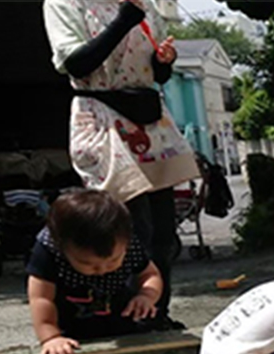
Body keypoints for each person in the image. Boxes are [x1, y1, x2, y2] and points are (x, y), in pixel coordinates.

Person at [43, 0, 200, 328]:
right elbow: (77, 63)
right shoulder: (65, 3)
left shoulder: (146, 5)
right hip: (102, 118)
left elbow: (157, 75)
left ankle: (157, 312)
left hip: (150, 123)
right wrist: (124, 20)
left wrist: (163, 62)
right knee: (129, 229)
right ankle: (123, 316)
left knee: (163, 234)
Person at [27, 189, 164, 354]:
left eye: (114, 260)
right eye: (87, 263)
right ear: (61, 248)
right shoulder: (49, 252)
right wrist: (51, 337)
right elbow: (41, 299)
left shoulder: (128, 245)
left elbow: (150, 274)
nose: (102, 269)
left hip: (120, 314)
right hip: (71, 324)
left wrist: (146, 295)